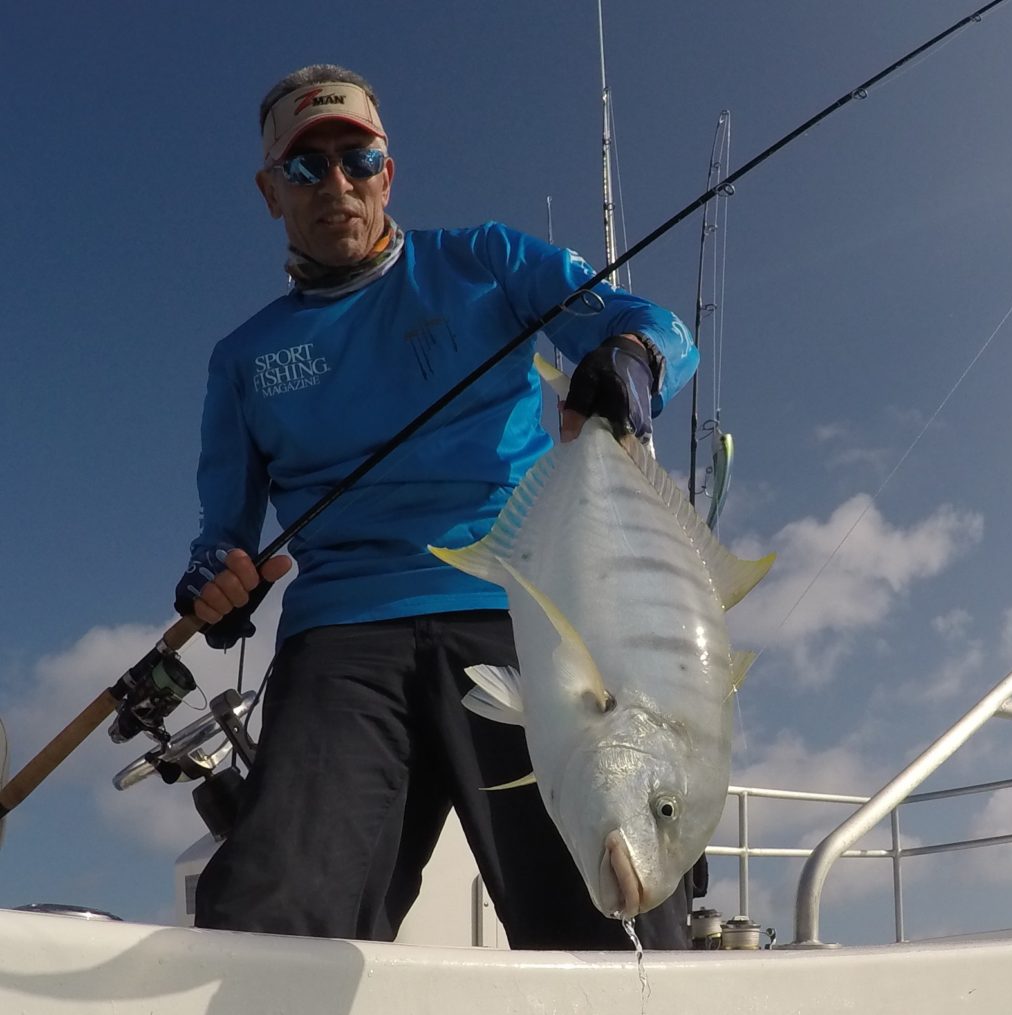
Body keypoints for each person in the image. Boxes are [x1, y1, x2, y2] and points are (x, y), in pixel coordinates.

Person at [176, 63, 701, 949]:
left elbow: (651, 323)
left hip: (522, 612)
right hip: (341, 644)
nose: (335, 184)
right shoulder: (244, 357)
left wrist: (631, 364)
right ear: (271, 192)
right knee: (269, 924)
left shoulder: (487, 262)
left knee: (615, 905)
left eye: (357, 157)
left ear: (389, 170)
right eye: (306, 168)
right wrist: (216, 587)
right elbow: (220, 538)